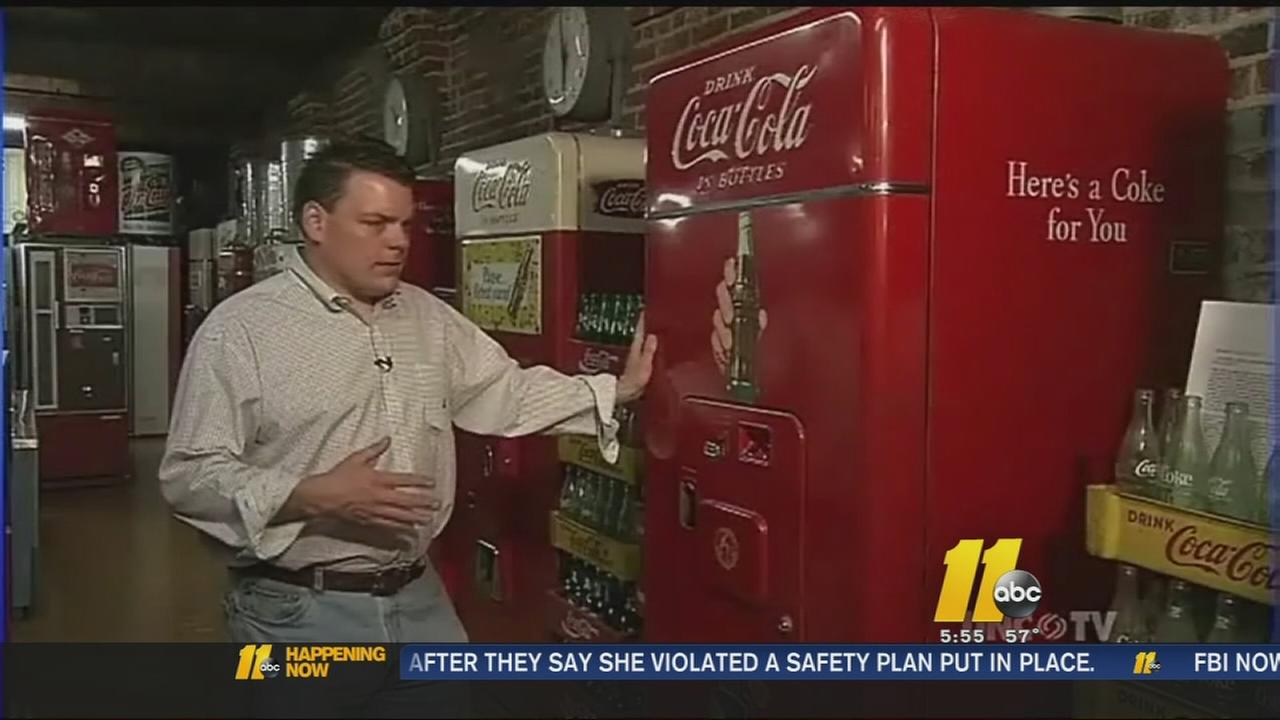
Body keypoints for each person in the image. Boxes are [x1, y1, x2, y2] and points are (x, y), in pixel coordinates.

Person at [159, 138, 657, 717]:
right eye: (373, 223)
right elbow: (190, 476)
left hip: (420, 601)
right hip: (294, 613)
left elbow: (506, 392)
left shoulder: (428, 317)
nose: (396, 241)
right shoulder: (241, 331)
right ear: (315, 222)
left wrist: (614, 390)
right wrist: (310, 496)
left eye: (404, 225)